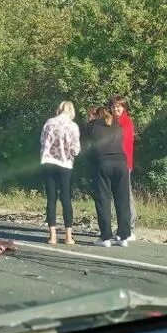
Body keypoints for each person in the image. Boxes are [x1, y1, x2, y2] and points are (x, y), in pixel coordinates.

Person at [87, 105, 132, 247]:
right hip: (121, 163)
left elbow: (88, 148)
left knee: (103, 200)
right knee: (122, 199)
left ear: (94, 115)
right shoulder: (117, 126)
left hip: (103, 163)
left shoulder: (92, 127)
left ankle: (105, 237)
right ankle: (123, 236)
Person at [39, 101, 81, 245]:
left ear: (59, 109)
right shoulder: (72, 126)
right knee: (65, 198)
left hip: (48, 162)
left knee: (51, 199)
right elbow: (76, 148)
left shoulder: (49, 123)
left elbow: (42, 141)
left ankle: (53, 236)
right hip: (65, 164)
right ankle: (68, 237)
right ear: (71, 111)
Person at [109, 96, 136, 240]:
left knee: (126, 196)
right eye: (113, 107)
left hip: (124, 164)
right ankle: (120, 227)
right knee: (116, 196)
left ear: (124, 108)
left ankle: (129, 228)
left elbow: (123, 144)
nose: (115, 109)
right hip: (114, 163)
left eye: (118, 106)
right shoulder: (112, 121)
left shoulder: (126, 122)